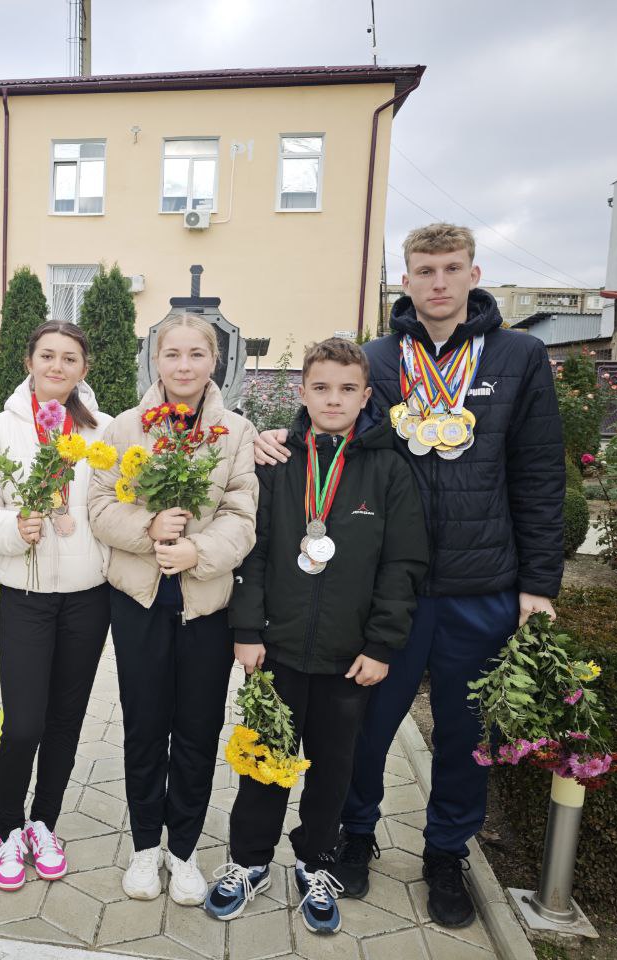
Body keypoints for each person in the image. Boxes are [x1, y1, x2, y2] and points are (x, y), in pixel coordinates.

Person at [253, 223, 565, 928]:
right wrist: (272, 436)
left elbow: (541, 474)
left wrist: (538, 586)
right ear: (406, 278)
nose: (439, 283)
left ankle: (446, 855)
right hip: (387, 590)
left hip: (480, 585)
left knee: (465, 732)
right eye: (424, 270)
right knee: (364, 727)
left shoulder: (519, 356)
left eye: (452, 269)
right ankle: (354, 836)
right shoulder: (377, 359)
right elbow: (325, 429)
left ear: (473, 272)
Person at [206, 338, 427, 934]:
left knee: (333, 766)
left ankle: (315, 863)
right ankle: (249, 860)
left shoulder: (389, 468)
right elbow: (250, 553)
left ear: (366, 396)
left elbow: (403, 566)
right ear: (301, 392)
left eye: (347, 389)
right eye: (321, 387)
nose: (334, 399)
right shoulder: (276, 462)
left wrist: (381, 645)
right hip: (274, 650)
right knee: (264, 758)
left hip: (348, 657)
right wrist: (247, 631)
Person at [88, 314, 258, 907]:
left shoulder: (235, 432)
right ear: (155, 361)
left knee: (195, 731)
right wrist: (149, 528)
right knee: (143, 727)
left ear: (216, 361)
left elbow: (242, 515)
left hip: (206, 607)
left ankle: (182, 849)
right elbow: (100, 504)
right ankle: (142, 845)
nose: (183, 366)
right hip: (138, 603)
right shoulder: (124, 427)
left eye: (196, 354)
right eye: (172, 354)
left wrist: (198, 551)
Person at [0, 321, 113, 891]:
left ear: (84, 368)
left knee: (65, 723)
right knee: (23, 724)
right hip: (25, 596)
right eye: (46, 354)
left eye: (69, 357)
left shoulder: (103, 432)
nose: (57, 366)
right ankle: (7, 831)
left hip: (87, 598)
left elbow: (120, 500)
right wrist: (11, 526)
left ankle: (44, 824)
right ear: (28, 360)